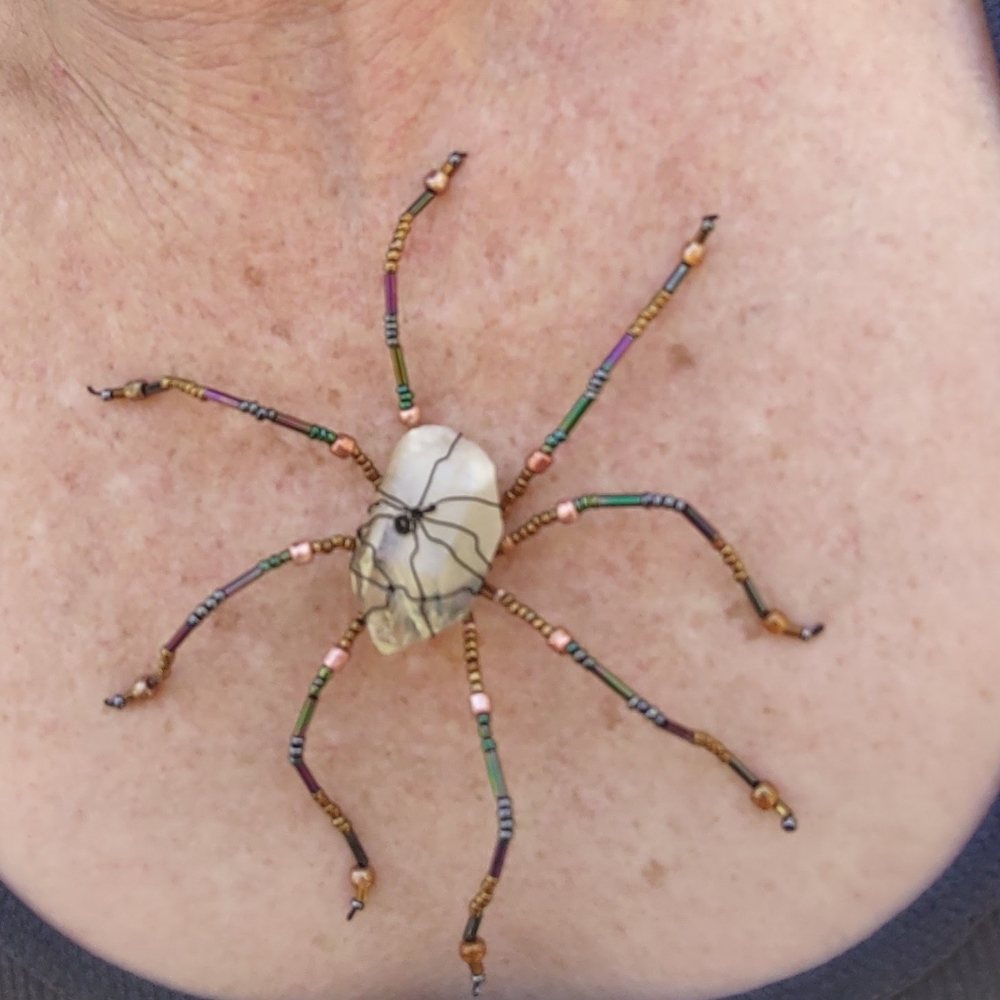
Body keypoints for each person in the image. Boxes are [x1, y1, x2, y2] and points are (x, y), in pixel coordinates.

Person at [1, 1, 999, 997]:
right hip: (418, 555)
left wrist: (417, 240)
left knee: (596, 634)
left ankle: (720, 760)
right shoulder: (413, 576)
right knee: (324, 720)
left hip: (441, 530)